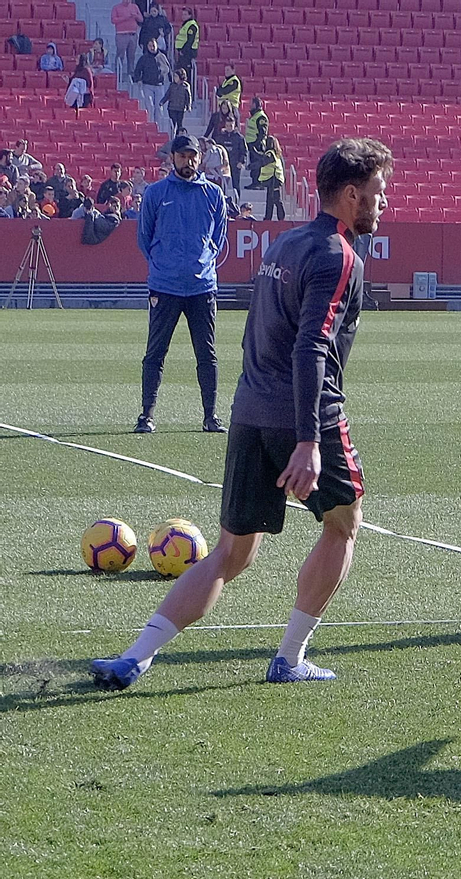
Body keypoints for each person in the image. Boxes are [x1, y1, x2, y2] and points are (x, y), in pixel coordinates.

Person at [90, 138, 394, 692]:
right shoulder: (339, 256)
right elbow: (311, 348)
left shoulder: (283, 246)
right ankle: (290, 657)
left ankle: (136, 656)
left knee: (233, 552)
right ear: (351, 195)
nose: (383, 203)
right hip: (304, 414)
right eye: (378, 192)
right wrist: (309, 440)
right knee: (344, 526)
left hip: (250, 408)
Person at [134, 134, 227, 435]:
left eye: (193, 156)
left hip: (202, 287)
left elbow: (218, 238)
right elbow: (144, 236)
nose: (189, 161)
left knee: (207, 354)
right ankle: (146, 415)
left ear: (200, 158)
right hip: (165, 286)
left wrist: (202, 262)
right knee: (155, 353)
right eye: (183, 155)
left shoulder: (213, 194)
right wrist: (164, 265)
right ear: (172, 158)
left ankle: (211, 416)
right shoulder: (156, 193)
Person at [131, 39, 168, 111]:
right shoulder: (143, 58)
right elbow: (138, 70)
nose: (152, 48)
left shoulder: (162, 57)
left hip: (159, 86)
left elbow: (168, 68)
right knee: (150, 107)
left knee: (159, 108)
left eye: (153, 45)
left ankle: (158, 122)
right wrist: (138, 79)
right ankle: (150, 122)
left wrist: (165, 76)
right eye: (150, 46)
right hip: (147, 86)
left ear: (157, 45)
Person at [255, 134, 284, 220]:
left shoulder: (270, 154)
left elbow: (264, 161)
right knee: (271, 200)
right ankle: (269, 217)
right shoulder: (277, 154)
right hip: (274, 179)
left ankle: (279, 217)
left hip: (273, 179)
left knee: (274, 199)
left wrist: (252, 165)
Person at [111, 0, 143, 74]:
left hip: (133, 34)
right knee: (120, 54)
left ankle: (131, 73)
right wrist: (125, 17)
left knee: (131, 56)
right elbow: (113, 20)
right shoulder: (116, 8)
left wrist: (136, 16)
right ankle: (118, 72)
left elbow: (141, 19)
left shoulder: (135, 7)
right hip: (121, 34)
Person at [160, 67, 191, 133]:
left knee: (179, 124)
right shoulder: (172, 85)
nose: (174, 78)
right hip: (172, 107)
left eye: (176, 76)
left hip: (181, 108)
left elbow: (188, 97)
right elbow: (167, 95)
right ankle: (172, 135)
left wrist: (188, 106)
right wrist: (162, 102)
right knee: (172, 123)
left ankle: (178, 136)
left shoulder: (185, 86)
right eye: (174, 76)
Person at [173, 6, 198, 83]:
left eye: (185, 14)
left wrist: (183, 51)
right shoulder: (186, 24)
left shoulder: (191, 26)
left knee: (185, 73)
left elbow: (190, 41)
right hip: (183, 52)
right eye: (182, 14)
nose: (183, 16)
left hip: (187, 53)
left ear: (190, 15)